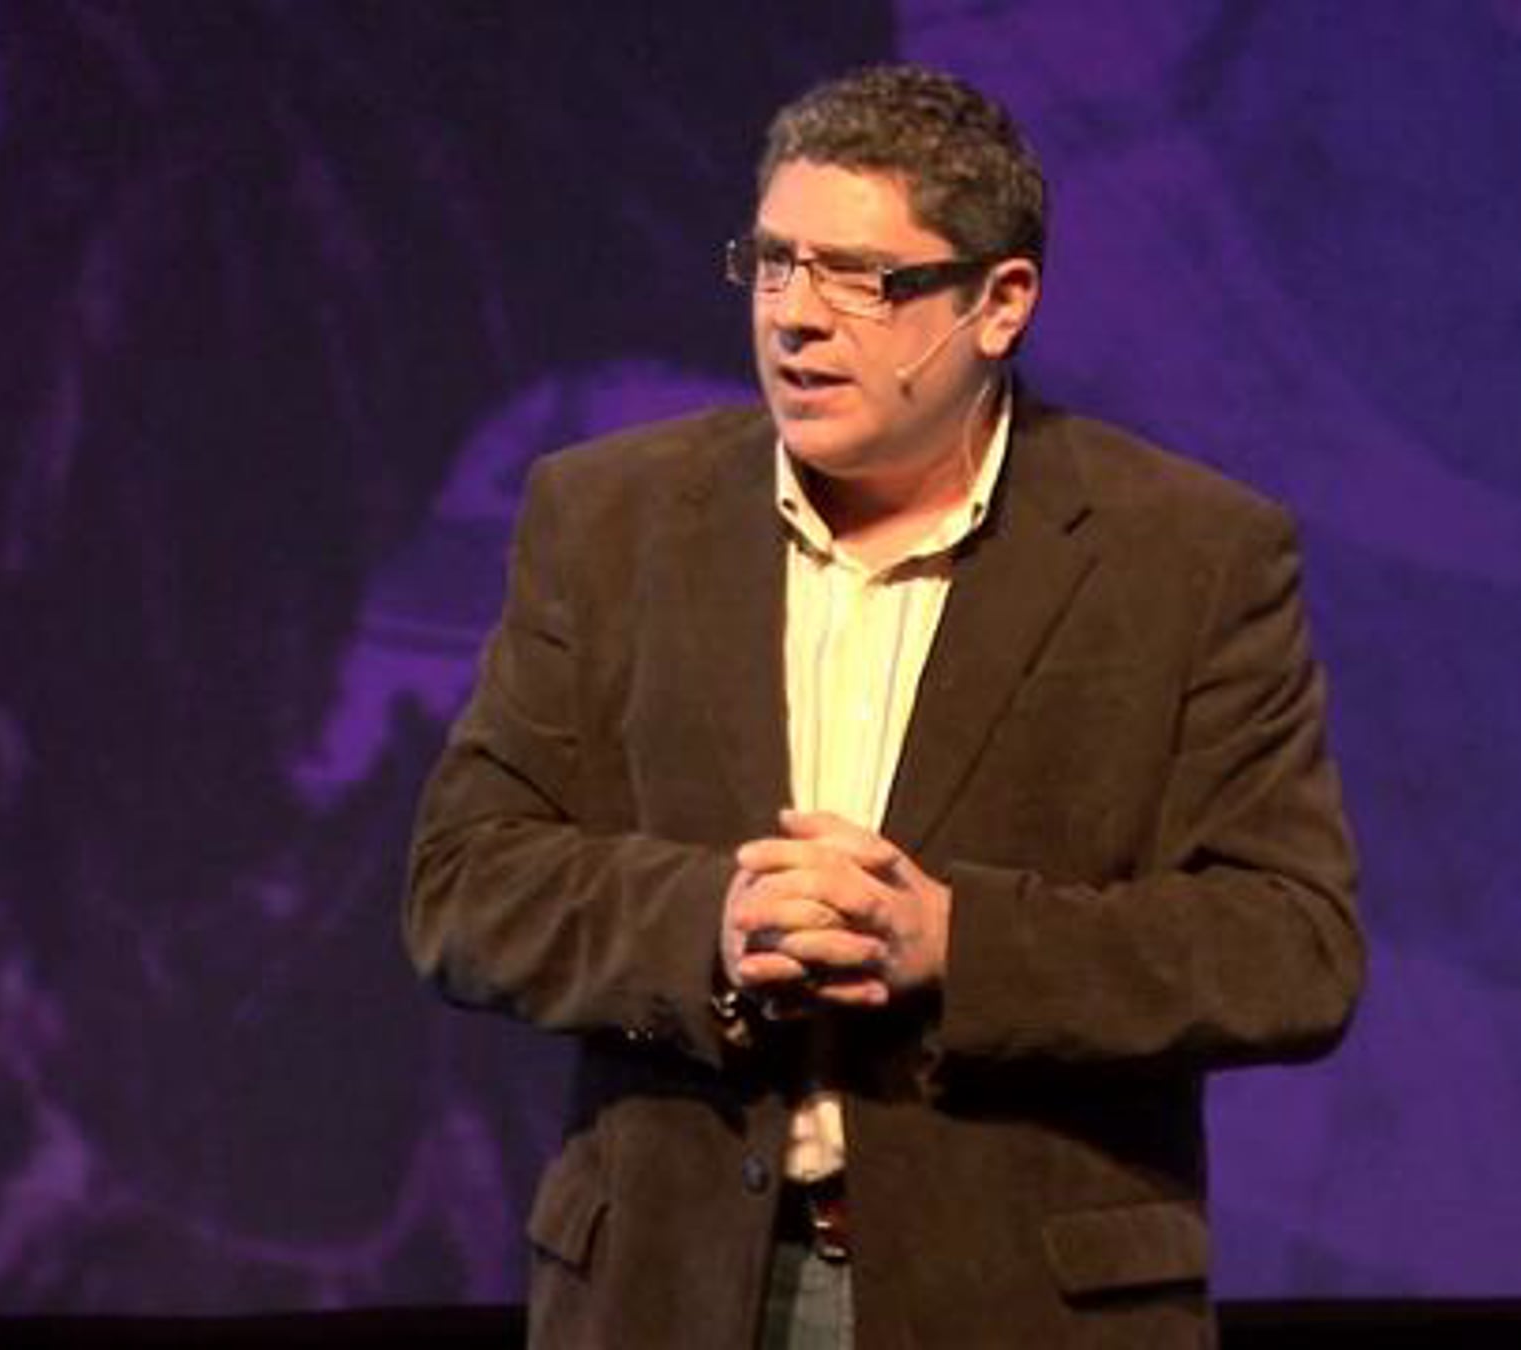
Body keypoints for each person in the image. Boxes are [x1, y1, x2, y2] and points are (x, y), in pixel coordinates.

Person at [403, 64, 1362, 1349]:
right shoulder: (608, 519)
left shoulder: (1189, 555)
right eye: (774, 263)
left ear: (999, 302)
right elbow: (466, 887)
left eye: (864, 278)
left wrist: (958, 944)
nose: (797, 318)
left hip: (1019, 1304)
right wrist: (711, 924)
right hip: (673, 1292)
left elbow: (1290, 948)